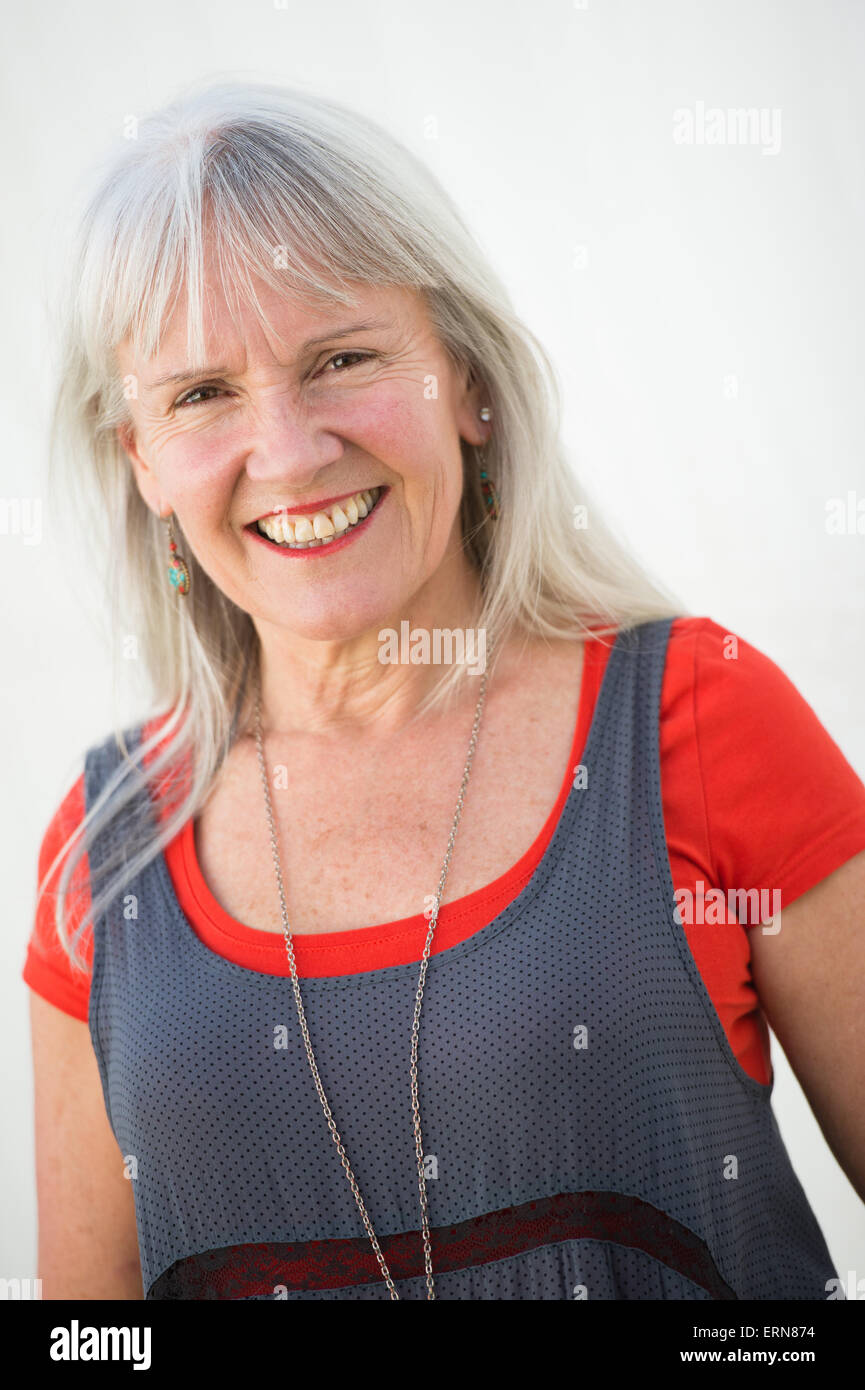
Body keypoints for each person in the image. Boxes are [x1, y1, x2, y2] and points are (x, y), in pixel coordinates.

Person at [24, 79, 865, 1301]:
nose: (291, 451)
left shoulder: (696, 720)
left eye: (342, 359)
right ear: (142, 460)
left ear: (469, 385)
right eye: (203, 394)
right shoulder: (103, 858)